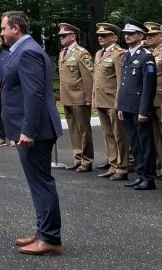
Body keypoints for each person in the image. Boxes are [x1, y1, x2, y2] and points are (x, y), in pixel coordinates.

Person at [0, 10, 63, 255]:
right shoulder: (28, 50)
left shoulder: (28, 52)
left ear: (16, 28)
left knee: (41, 184)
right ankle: (43, 231)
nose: (1, 33)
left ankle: (50, 238)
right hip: (33, 130)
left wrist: (28, 130)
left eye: (4, 28)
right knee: (38, 183)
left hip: (36, 132)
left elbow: (34, 95)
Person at [117, 18, 157, 190]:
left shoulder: (146, 57)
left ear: (140, 36)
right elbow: (124, 84)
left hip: (139, 108)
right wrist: (121, 106)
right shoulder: (127, 55)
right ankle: (140, 175)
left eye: (131, 33)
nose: (127, 36)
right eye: (125, 33)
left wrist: (144, 110)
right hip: (128, 107)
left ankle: (149, 178)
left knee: (145, 144)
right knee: (134, 143)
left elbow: (148, 86)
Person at [91, 23, 129, 181]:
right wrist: (93, 97)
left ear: (114, 37)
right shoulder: (99, 53)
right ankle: (113, 164)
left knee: (119, 135)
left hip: (113, 100)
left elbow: (121, 81)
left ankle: (122, 167)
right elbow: (96, 79)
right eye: (99, 35)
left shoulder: (119, 54)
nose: (100, 37)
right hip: (101, 100)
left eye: (104, 35)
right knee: (108, 135)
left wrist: (119, 102)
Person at [56, 23, 95, 172]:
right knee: (73, 130)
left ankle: (87, 160)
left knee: (84, 129)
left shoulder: (81, 53)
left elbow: (88, 77)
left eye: (64, 36)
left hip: (79, 97)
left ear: (73, 36)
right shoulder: (62, 53)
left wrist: (89, 98)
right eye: (60, 36)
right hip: (67, 97)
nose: (61, 38)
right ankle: (78, 157)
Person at [142, 22, 162, 178]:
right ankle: (158, 163)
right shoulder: (148, 53)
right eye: (146, 35)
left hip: (160, 98)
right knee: (154, 134)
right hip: (150, 99)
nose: (148, 38)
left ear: (160, 36)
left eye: (152, 35)